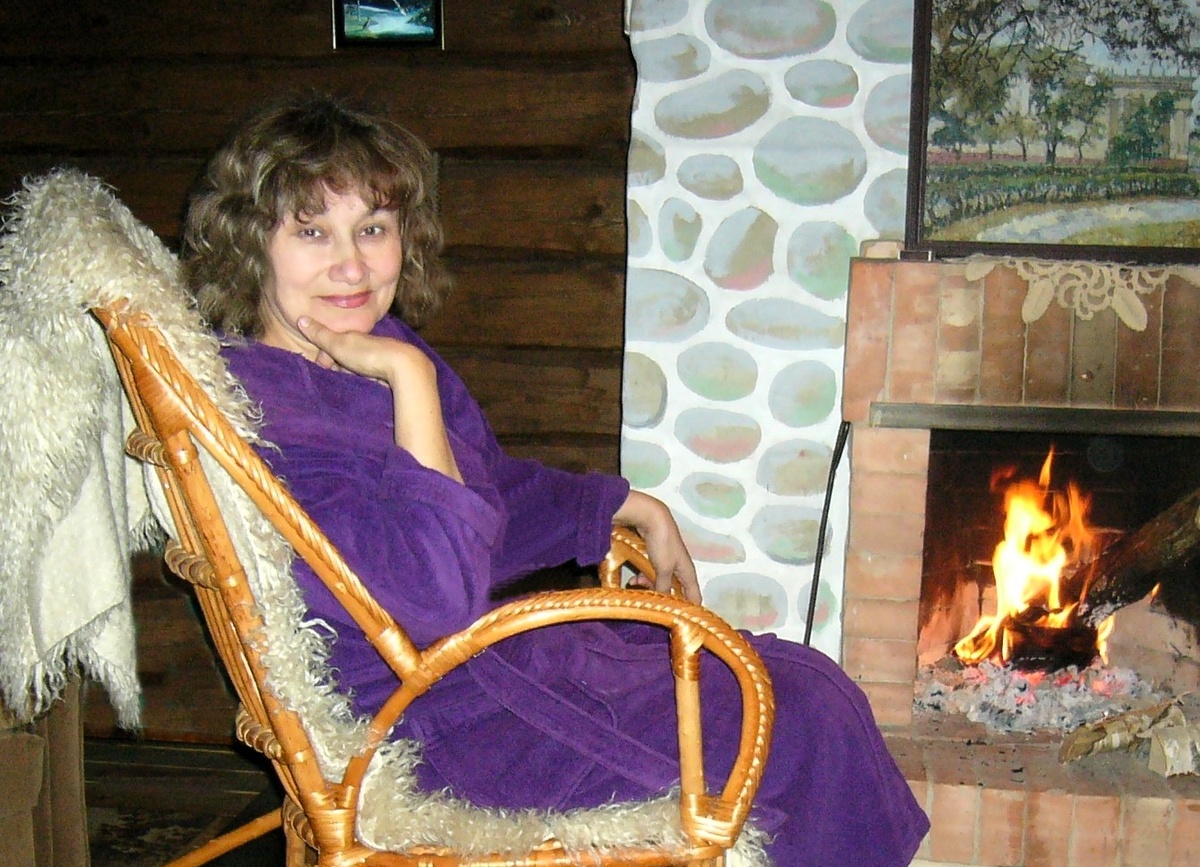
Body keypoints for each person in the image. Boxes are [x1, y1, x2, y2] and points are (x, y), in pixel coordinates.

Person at [182, 93, 929, 865]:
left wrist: (628, 503)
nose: (352, 265)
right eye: (311, 232)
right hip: (433, 728)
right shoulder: (273, 419)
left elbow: (488, 494)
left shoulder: (370, 349)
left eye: (372, 228)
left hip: (487, 674)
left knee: (800, 683)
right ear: (251, 243)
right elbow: (436, 595)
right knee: (799, 718)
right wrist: (410, 379)